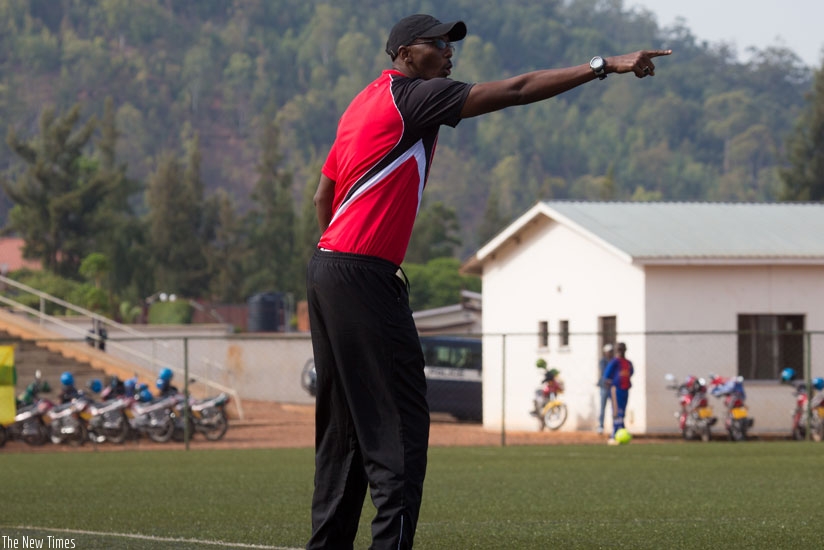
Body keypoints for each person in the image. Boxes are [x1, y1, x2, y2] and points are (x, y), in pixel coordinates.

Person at [306, 13, 670, 548]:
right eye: (438, 44)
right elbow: (518, 89)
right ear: (406, 53)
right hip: (362, 275)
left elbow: (322, 197)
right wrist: (603, 65)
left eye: (452, 44)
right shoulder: (414, 98)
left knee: (343, 434)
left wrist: (341, 260)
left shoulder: (362, 103)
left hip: (327, 270)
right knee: (401, 433)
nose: (449, 52)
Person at [603, 342, 634, 445]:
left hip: (625, 389)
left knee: (622, 412)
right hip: (616, 389)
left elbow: (631, 372)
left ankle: (621, 431)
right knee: (617, 412)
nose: (621, 352)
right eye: (619, 350)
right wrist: (611, 384)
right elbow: (606, 376)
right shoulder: (614, 362)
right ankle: (614, 434)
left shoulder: (628, 363)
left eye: (622, 349)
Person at [597, 343, 614, 434]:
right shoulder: (603, 361)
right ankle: (601, 426)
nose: (610, 353)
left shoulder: (614, 361)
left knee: (614, 408)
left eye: (611, 351)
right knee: (602, 407)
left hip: (612, 388)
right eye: (608, 352)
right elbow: (604, 373)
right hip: (604, 387)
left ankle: (614, 426)